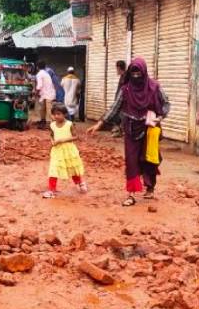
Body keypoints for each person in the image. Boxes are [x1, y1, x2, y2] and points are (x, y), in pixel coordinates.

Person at [87, 57, 170, 207]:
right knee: (131, 162)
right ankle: (131, 194)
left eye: (139, 71)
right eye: (133, 72)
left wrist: (159, 117)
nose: (136, 75)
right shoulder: (125, 89)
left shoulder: (154, 86)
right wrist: (99, 124)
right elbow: (115, 107)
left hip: (150, 129)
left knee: (149, 159)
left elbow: (166, 103)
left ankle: (150, 187)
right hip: (131, 129)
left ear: (144, 71)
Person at [42, 104, 87, 199]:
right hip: (57, 150)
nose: (56, 116)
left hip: (69, 150)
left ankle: (80, 183)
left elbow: (75, 137)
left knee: (72, 168)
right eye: (54, 114)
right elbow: (51, 135)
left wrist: (62, 140)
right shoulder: (52, 125)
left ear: (65, 114)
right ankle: (51, 190)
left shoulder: (69, 124)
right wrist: (52, 142)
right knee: (53, 169)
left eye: (59, 114)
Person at [33, 61, 56, 129]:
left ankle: (55, 126)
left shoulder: (39, 74)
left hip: (48, 94)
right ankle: (43, 123)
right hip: (46, 94)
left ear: (37, 67)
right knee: (42, 109)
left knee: (49, 111)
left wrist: (35, 94)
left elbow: (39, 86)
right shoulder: (46, 73)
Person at [110, 60, 127, 137]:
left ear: (119, 68)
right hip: (120, 100)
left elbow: (123, 91)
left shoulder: (125, 77)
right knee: (119, 116)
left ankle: (120, 131)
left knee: (120, 115)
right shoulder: (123, 76)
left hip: (123, 101)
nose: (116, 70)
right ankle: (119, 130)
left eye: (116, 68)